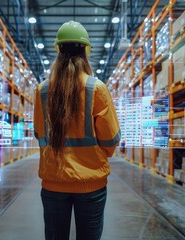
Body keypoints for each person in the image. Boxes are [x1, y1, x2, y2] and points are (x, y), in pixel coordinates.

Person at [33, 20, 120, 240]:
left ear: (58, 50)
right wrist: (96, 155)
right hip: (91, 184)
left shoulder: (42, 90)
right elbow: (111, 139)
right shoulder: (96, 88)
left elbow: (39, 134)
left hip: (54, 181)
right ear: (85, 52)